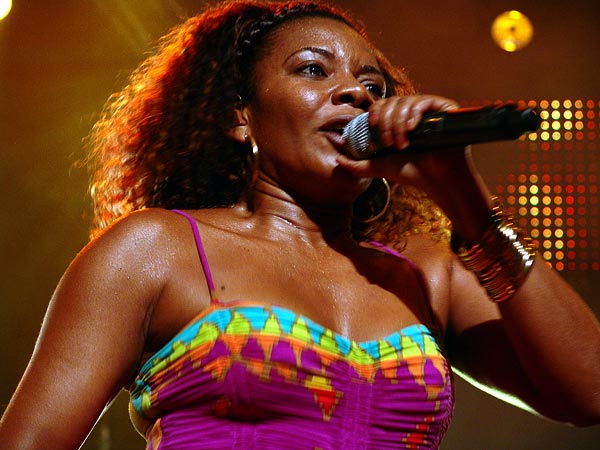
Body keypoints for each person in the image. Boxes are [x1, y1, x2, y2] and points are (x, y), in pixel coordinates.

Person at [1, 1, 599, 448]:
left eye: (373, 87)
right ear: (240, 115)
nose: (354, 93)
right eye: (313, 71)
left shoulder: (425, 274)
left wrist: (466, 201)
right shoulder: (156, 248)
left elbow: (589, 393)